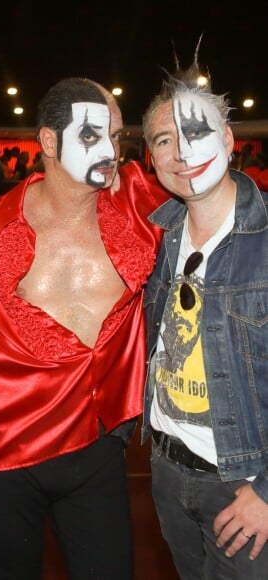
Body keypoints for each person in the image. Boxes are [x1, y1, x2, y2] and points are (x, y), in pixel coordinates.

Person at [0, 77, 168, 579]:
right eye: (90, 135)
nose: (110, 151)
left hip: (98, 447)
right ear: (49, 142)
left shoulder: (141, 205)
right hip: (9, 451)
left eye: (117, 138)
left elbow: (214, 198)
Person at [141, 56, 268, 578]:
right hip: (168, 471)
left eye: (196, 130)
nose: (182, 151)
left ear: (230, 138)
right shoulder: (158, 239)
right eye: (163, 140)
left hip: (242, 487)